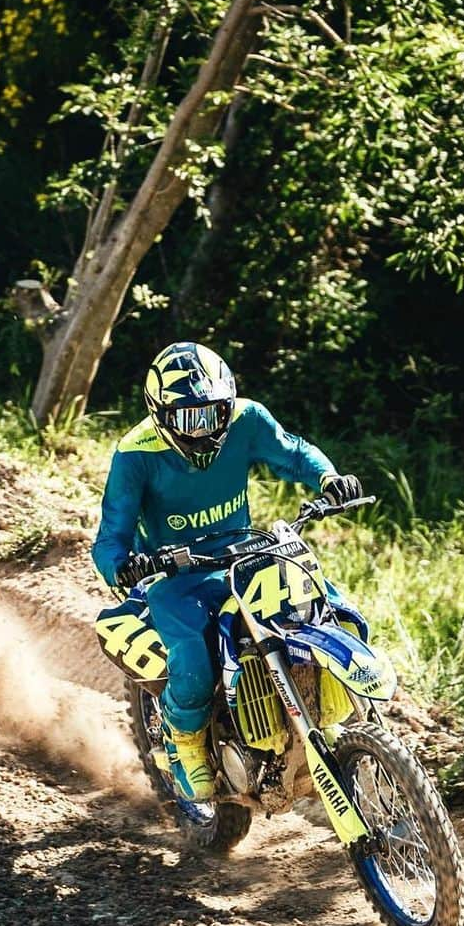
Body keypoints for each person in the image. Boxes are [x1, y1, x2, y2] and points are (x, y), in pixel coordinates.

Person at [92, 341, 361, 803]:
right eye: (190, 418)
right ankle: (186, 745)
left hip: (246, 552)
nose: (205, 429)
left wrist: (328, 478)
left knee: (330, 606)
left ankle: (336, 717)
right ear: (160, 413)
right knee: (194, 665)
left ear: (229, 402)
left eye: (214, 413)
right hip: (177, 574)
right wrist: (123, 565)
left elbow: (293, 453)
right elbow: (111, 535)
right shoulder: (135, 454)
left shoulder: (247, 419)